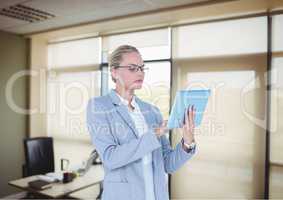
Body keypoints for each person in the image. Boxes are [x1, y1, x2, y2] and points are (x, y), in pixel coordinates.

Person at [87, 45, 196, 200]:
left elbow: (168, 164)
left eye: (142, 68)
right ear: (114, 72)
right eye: (132, 68)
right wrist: (156, 133)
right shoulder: (99, 107)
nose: (140, 73)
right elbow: (110, 158)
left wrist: (187, 142)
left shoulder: (152, 111)